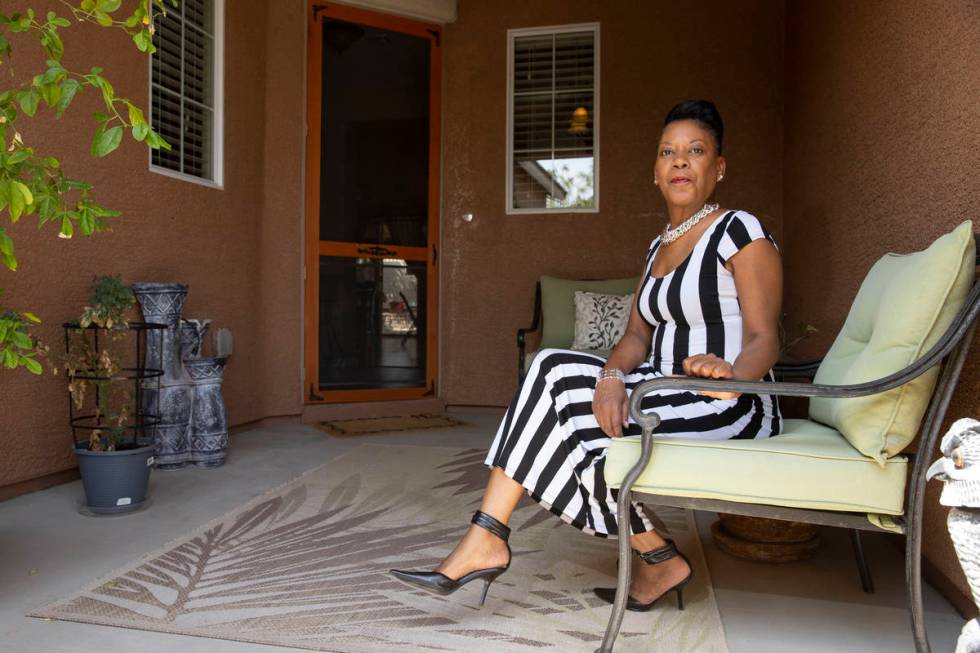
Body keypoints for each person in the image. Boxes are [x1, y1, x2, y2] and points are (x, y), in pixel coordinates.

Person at [390, 99, 783, 612]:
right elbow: (636, 337)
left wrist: (733, 376)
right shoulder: (657, 247)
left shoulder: (739, 230)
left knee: (577, 430)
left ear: (719, 167)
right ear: (655, 172)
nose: (680, 161)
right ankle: (503, 539)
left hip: (728, 401)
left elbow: (764, 336)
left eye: (696, 151)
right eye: (669, 152)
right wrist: (612, 378)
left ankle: (638, 555)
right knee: (553, 367)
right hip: (658, 387)